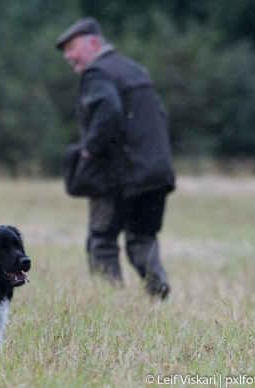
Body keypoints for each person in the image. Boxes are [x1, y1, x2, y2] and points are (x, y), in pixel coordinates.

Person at [56, 17, 175, 299]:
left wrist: (89, 150)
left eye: (72, 48)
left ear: (94, 43)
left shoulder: (97, 73)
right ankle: (159, 295)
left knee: (101, 241)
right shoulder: (135, 71)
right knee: (142, 239)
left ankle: (109, 303)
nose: (68, 57)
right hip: (155, 174)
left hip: (118, 176)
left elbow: (108, 112)